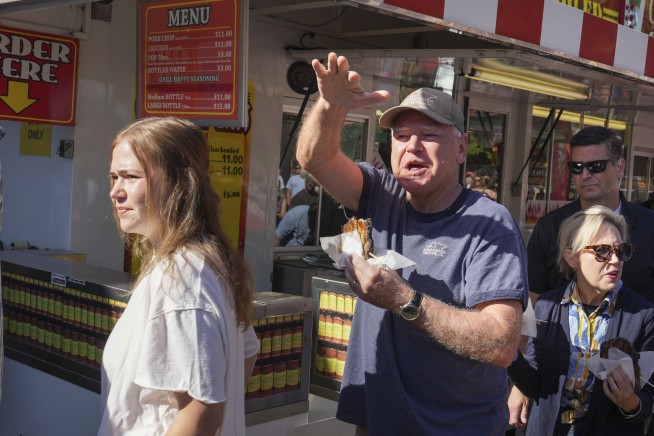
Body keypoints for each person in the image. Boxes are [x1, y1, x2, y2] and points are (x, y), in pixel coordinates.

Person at [296, 52, 528, 434]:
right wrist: (330, 105)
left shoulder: (489, 224)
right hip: (377, 420)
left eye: (430, 135)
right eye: (401, 137)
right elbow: (315, 158)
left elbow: (501, 343)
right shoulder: (380, 194)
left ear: (462, 148)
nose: (412, 146)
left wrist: (406, 300)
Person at [99, 117, 259, 435]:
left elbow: (203, 412)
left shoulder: (182, 278)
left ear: (177, 182)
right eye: (114, 177)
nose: (116, 191)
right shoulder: (202, 259)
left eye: (131, 177)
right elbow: (248, 351)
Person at [512, 126, 654, 430]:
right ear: (571, 256)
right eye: (576, 167)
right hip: (553, 395)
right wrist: (519, 381)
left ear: (620, 167)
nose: (585, 174)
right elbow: (535, 304)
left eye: (596, 166)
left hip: (623, 394)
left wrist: (634, 400)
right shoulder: (550, 228)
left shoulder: (651, 229)